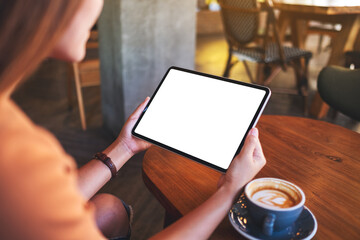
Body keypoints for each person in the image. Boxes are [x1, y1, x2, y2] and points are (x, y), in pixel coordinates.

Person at [0, 0, 266, 239]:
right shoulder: (19, 155)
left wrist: (124, 147)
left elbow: (44, 201)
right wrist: (229, 191)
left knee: (110, 209)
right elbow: (33, 185)